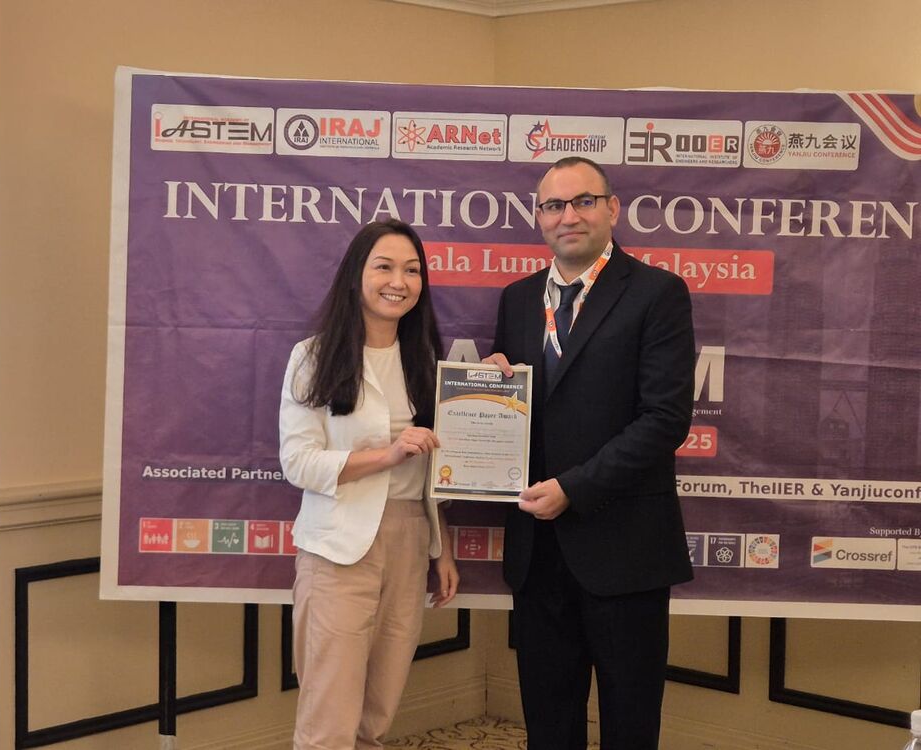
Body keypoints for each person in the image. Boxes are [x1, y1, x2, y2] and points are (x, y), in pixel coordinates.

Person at [483, 157, 695, 750]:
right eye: (554, 205)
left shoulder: (657, 293)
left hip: (625, 549)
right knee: (549, 725)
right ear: (539, 217)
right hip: (537, 552)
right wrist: (488, 389)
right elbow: (521, 408)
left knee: (630, 725)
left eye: (583, 201)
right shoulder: (518, 299)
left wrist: (574, 488)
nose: (568, 216)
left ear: (612, 208)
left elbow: (665, 420)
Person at [279, 219, 459, 750]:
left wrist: (442, 549)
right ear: (356, 274)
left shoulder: (427, 360)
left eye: (412, 270)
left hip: (409, 540)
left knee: (377, 712)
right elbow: (298, 463)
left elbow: (434, 468)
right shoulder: (313, 356)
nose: (398, 282)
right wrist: (388, 454)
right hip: (338, 547)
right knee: (329, 718)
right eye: (384, 267)